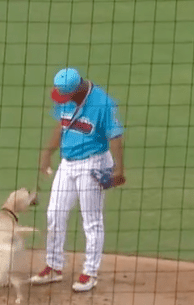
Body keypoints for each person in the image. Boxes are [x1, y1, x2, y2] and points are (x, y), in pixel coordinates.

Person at [30, 67, 126, 292]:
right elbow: (61, 124)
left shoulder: (102, 103)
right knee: (54, 214)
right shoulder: (66, 96)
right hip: (68, 163)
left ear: (78, 90)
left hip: (93, 163)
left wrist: (119, 169)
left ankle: (90, 272)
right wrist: (47, 152)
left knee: (91, 220)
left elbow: (116, 135)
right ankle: (53, 267)